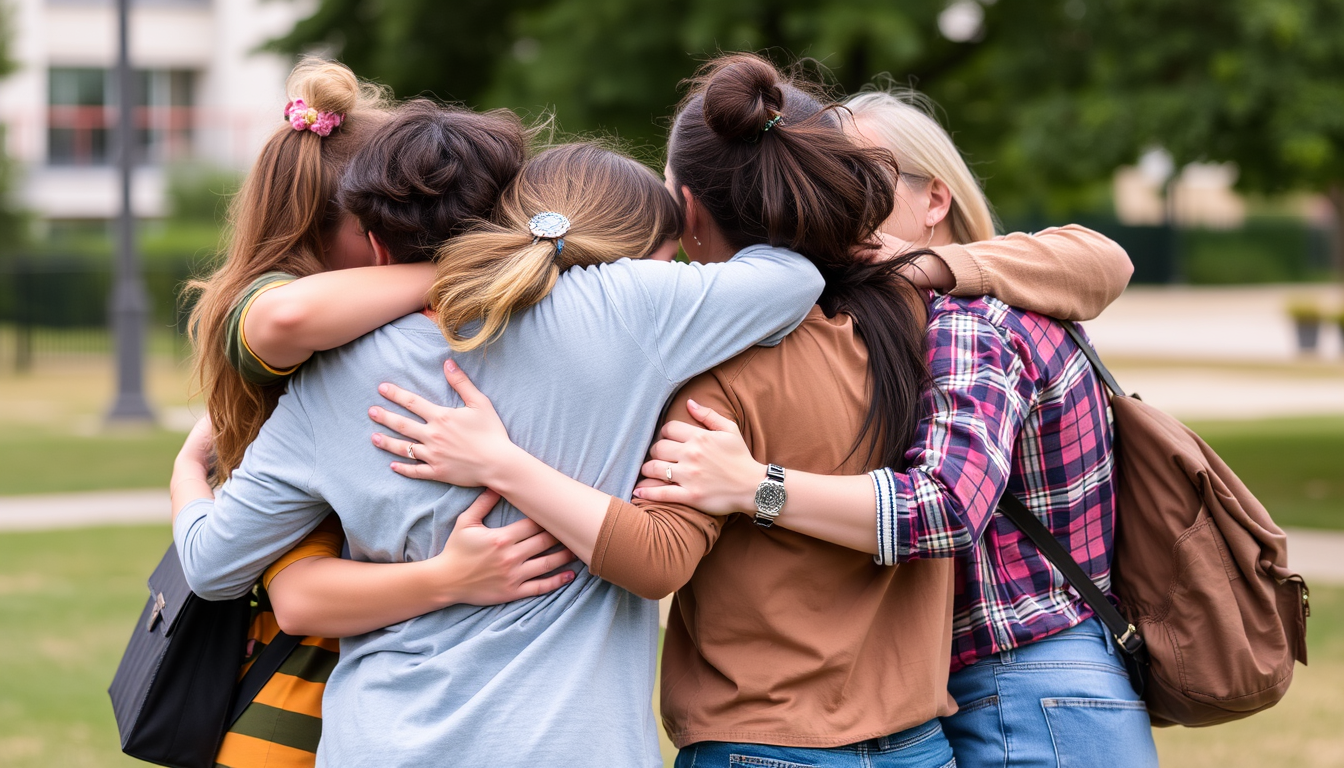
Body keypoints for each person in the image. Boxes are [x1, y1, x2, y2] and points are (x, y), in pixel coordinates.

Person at [356, 59, 1135, 767]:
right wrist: (918, 264)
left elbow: (657, 557)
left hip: (763, 741)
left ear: (690, 209)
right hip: (917, 743)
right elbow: (1096, 262)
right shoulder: (918, 320)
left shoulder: (709, 369)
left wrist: (504, 465)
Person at [170, 133, 827, 767]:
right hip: (567, 746)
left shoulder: (327, 378)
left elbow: (213, 566)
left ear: (376, 247)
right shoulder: (630, 309)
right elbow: (794, 277)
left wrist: (185, 478)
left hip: (382, 744)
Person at [626, 89, 1161, 768]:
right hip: (1001, 685)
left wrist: (755, 486)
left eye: (863, 178)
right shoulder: (898, 318)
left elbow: (941, 508)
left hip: (1017, 679)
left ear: (935, 201)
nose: (834, 192)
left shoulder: (964, 320)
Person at [183, 60, 571, 768]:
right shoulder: (276, 309)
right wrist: (489, 261)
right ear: (362, 233)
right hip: (300, 697)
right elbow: (298, 596)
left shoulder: (382, 322)